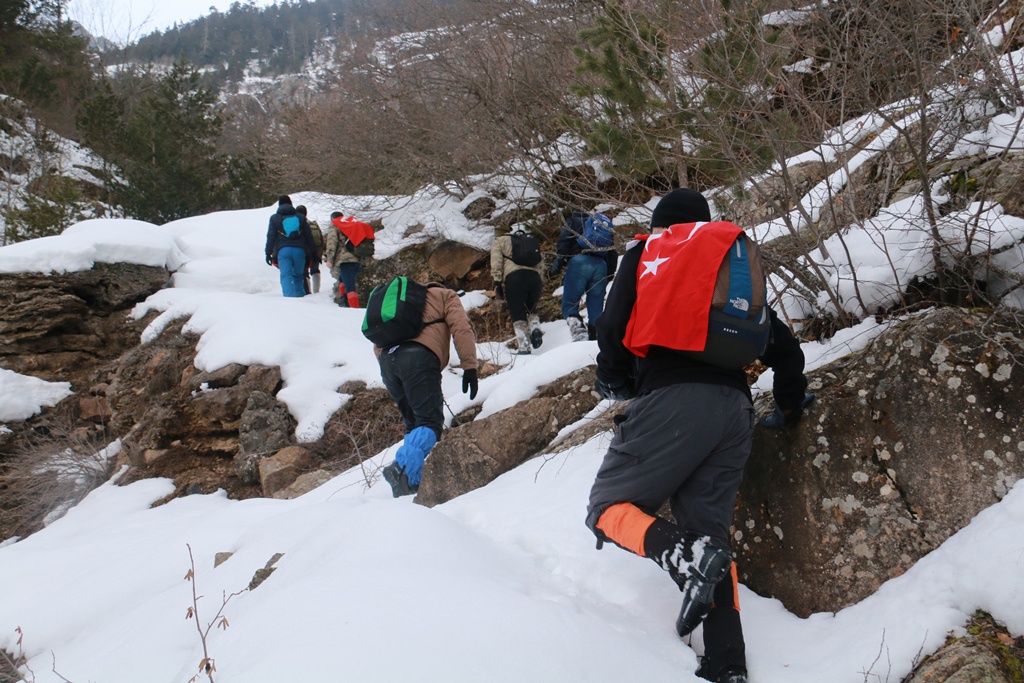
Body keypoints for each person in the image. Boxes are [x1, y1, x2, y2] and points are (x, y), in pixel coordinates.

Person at [584, 188, 813, 683]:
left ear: (663, 226)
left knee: (606, 510)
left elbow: (613, 324)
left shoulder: (649, 255)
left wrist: (614, 376)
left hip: (671, 401)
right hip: (734, 411)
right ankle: (727, 664)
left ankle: (683, 557)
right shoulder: (725, 275)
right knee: (711, 538)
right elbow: (786, 352)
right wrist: (791, 405)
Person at [377, 282, 479, 497]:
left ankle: (412, 483)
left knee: (414, 423)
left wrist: (391, 367)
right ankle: (400, 467)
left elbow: (378, 339)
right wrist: (469, 366)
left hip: (387, 360)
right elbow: (461, 329)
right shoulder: (445, 295)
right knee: (430, 423)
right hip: (418, 358)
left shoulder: (396, 303)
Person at [551, 209, 618, 342]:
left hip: (579, 262)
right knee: (596, 304)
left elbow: (564, 239)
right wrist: (607, 276)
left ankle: (579, 333)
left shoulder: (573, 222)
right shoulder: (601, 227)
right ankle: (596, 337)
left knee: (570, 303)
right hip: (601, 265)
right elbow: (612, 253)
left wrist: (560, 258)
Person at [490, 225, 544, 354]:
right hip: (535, 278)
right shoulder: (526, 242)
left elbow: (496, 262)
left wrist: (497, 281)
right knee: (531, 308)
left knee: (517, 311)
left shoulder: (499, 241)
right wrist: (540, 280)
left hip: (515, 278)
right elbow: (540, 262)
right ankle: (535, 328)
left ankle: (524, 345)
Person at [265, 195, 317, 298]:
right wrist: (314, 252)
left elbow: (271, 237)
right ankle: (300, 298)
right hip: (299, 250)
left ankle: (290, 299)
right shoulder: (300, 217)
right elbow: (309, 237)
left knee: (286, 276)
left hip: (283, 250)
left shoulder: (275, 218)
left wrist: (268, 252)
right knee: (298, 275)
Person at [324, 211, 375, 307]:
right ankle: (344, 301)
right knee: (342, 278)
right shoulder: (351, 223)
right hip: (359, 257)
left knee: (349, 285)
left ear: (332, 218)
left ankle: (353, 308)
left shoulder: (335, 224)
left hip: (346, 260)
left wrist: (330, 259)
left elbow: (332, 243)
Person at [296, 205, 324, 294]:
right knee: (315, 270)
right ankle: (317, 291)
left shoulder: (298, 224)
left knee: (304, 271)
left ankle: (308, 292)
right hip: (316, 251)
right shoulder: (314, 224)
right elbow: (322, 240)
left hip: (305, 252)